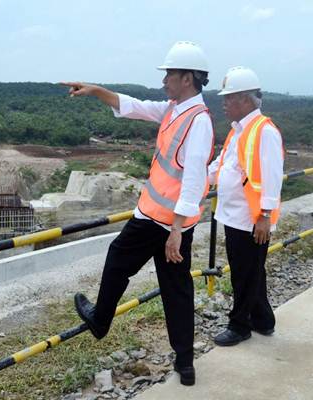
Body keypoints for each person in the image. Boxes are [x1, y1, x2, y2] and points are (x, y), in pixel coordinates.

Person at [60, 41, 214, 386]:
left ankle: (100, 320)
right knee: (176, 288)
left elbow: (193, 178)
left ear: (188, 78)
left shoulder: (197, 121)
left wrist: (175, 230)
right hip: (166, 219)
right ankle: (185, 364)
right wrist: (98, 91)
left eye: (170, 74)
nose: (165, 81)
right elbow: (136, 106)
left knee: (118, 260)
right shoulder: (177, 108)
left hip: (162, 221)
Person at [209, 66, 284, 346]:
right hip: (234, 215)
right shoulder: (239, 131)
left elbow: (272, 176)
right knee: (252, 270)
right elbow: (224, 165)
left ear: (243, 98)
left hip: (251, 218)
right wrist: (195, 181)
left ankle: (239, 325)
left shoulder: (264, 131)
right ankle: (263, 320)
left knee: (244, 273)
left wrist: (264, 216)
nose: (224, 104)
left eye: (228, 98)